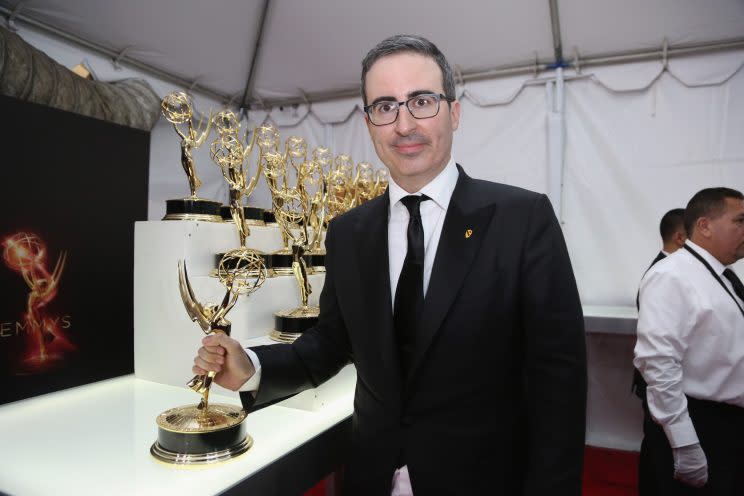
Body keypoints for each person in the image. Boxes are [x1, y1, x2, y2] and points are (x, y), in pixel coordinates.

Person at [194, 34, 587, 495]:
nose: (404, 124)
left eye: (421, 101)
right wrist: (252, 366)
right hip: (372, 476)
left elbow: (559, 381)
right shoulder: (348, 232)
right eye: (385, 106)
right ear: (369, 123)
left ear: (454, 113)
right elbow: (331, 342)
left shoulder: (522, 219)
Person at [634, 187, 744, 495]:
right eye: (740, 221)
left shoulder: (718, 274)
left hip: (725, 421)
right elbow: (658, 363)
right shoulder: (673, 275)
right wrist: (684, 442)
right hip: (701, 422)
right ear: (705, 226)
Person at [635, 207, 686, 494]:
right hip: (660, 378)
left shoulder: (670, 270)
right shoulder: (662, 273)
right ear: (680, 238)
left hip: (662, 378)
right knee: (658, 446)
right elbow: (657, 346)